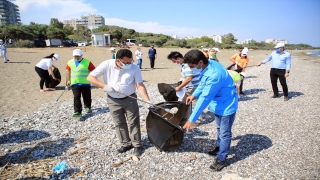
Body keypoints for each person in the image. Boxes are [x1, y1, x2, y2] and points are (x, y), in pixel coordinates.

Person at [87, 48, 151, 156]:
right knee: (119, 123)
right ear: (118, 60)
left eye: (130, 62)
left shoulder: (134, 68)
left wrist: (147, 101)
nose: (128, 64)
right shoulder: (106, 64)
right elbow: (90, 77)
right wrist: (104, 86)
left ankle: (137, 145)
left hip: (130, 99)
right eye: (125, 63)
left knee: (133, 123)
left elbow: (140, 85)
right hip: (113, 100)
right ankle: (126, 143)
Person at [182, 49, 238, 171]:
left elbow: (205, 98)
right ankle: (219, 147)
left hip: (226, 105)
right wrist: (194, 95)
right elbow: (203, 83)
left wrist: (192, 119)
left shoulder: (214, 74)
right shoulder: (210, 64)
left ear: (200, 62)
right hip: (218, 104)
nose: (191, 69)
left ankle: (222, 158)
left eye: (192, 66)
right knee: (219, 129)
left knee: (224, 133)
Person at [167, 51, 202, 122]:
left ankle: (198, 120)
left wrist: (179, 87)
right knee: (185, 103)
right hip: (190, 87)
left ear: (179, 58)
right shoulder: (184, 65)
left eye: (174, 61)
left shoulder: (186, 65)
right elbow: (186, 77)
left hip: (193, 88)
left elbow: (189, 78)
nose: (174, 63)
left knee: (194, 104)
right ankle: (185, 118)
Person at [66, 49, 95, 117]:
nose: (77, 57)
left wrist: (92, 79)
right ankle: (77, 111)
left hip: (86, 83)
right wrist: (68, 80)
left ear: (82, 55)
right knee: (76, 97)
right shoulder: (70, 62)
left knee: (87, 96)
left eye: (78, 56)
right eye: (75, 56)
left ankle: (88, 106)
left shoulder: (87, 62)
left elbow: (93, 71)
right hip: (75, 83)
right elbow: (67, 71)